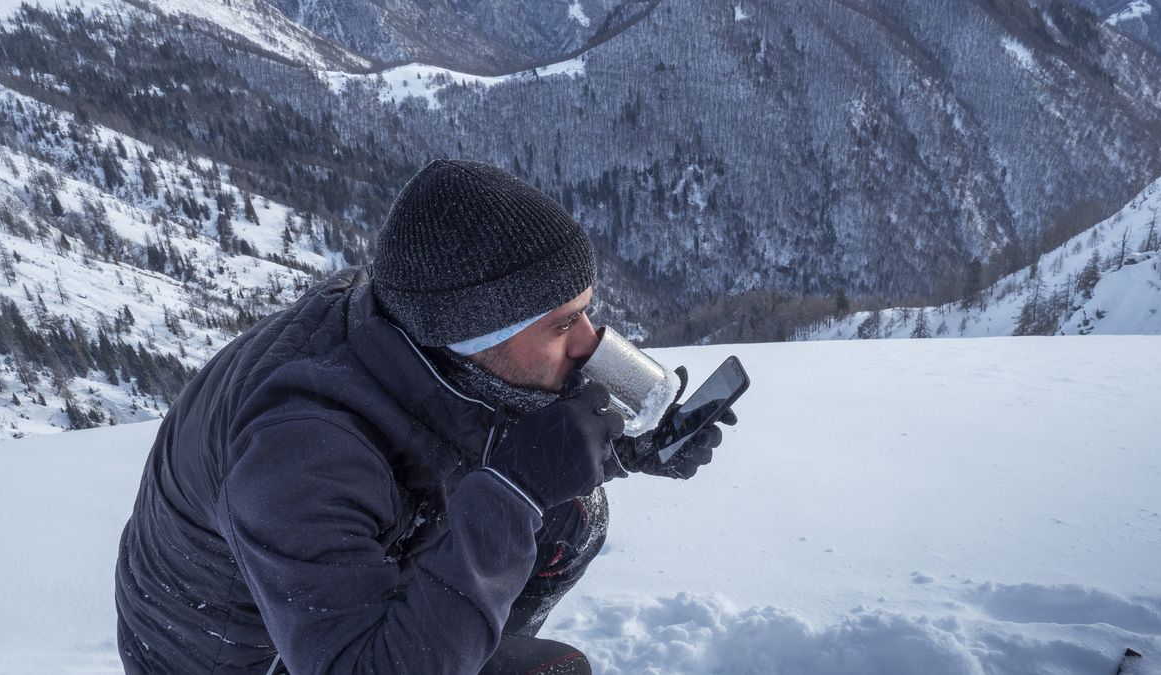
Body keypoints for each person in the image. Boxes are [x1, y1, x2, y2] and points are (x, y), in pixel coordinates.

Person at [115, 159, 735, 674]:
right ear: (477, 335)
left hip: (311, 582)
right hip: (242, 655)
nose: (590, 341)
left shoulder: (421, 323)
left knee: (568, 515)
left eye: (586, 312)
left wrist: (620, 448)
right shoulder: (301, 452)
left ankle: (464, 637)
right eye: (562, 324)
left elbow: (454, 415)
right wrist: (516, 490)